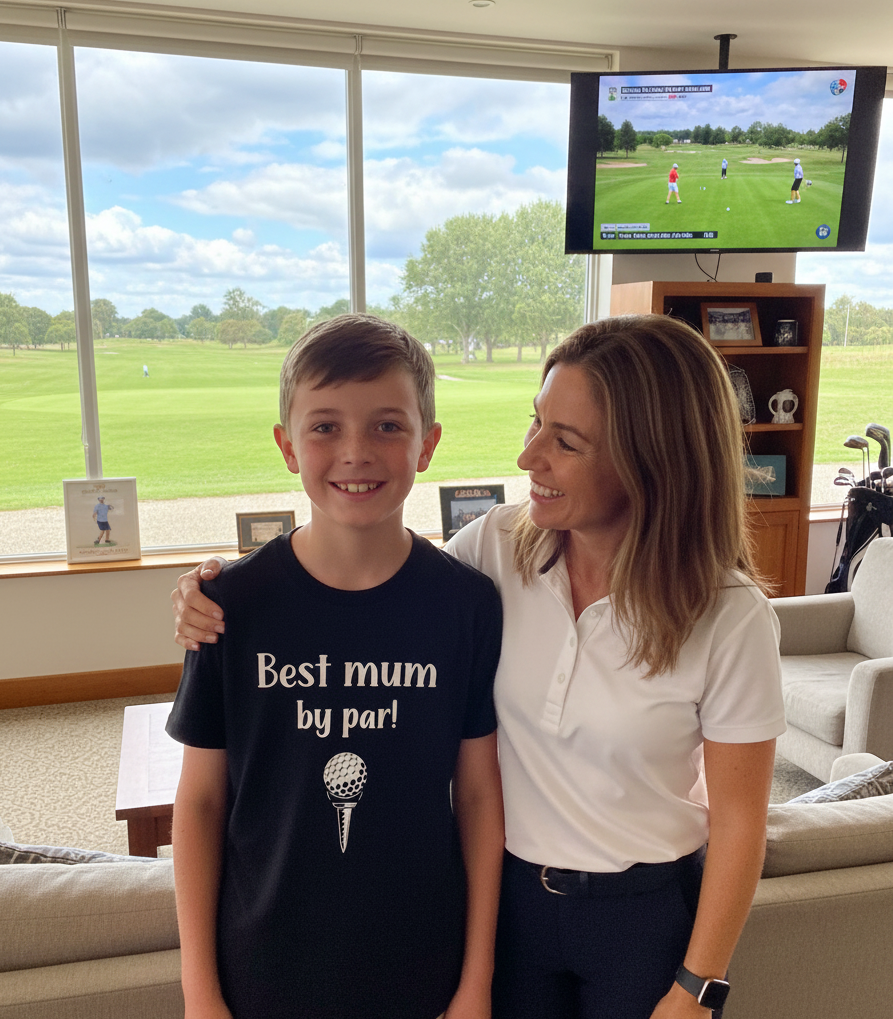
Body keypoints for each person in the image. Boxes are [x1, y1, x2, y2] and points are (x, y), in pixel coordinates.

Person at [173, 314, 785, 1019]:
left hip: (639, 912)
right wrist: (210, 587)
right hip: (510, 905)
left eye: (564, 440)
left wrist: (696, 985)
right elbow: (376, 571)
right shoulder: (496, 548)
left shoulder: (728, 615)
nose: (527, 457)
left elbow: (740, 821)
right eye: (535, 423)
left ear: (651, 457)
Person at [167, 314, 505, 1019]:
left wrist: (474, 983)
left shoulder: (465, 604)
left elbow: (476, 796)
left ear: (428, 443)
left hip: (421, 960)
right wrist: (200, 995)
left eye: (387, 425)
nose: (356, 452)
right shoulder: (229, 603)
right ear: (287, 446)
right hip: (262, 965)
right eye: (324, 427)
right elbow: (199, 802)